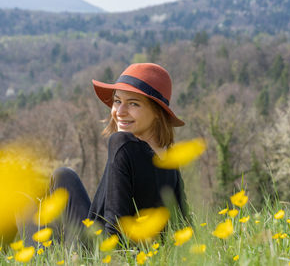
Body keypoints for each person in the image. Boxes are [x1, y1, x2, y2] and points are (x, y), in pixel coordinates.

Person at [21, 63, 189, 245]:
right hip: (127, 248)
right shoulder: (170, 159)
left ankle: (27, 253)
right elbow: (184, 224)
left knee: (15, 203)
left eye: (133, 103)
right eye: (117, 101)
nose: (120, 112)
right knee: (64, 176)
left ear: (158, 112)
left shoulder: (123, 143)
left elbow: (113, 227)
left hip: (103, 252)